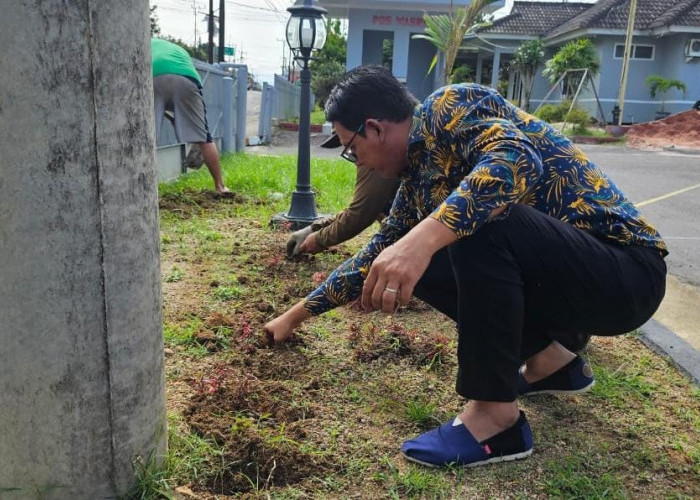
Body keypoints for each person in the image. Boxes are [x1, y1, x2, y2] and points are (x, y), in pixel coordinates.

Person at [264, 65, 667, 468]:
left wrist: (421, 242)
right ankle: (552, 364)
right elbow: (374, 256)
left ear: (374, 128)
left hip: (627, 275)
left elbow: (518, 161)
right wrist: (291, 319)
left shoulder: (449, 106)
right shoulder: (418, 182)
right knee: (417, 251)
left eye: (352, 148)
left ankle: (495, 419)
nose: (357, 161)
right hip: (575, 289)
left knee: (474, 222)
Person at [151, 38, 228, 193]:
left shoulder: (141, 41)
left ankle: (148, 190)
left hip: (152, 76)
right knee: (205, 138)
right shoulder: (176, 50)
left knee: (146, 139)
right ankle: (220, 186)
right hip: (186, 77)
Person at [285, 160, 399, 257]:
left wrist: (319, 239)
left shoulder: (375, 159)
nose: (356, 159)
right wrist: (312, 229)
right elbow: (361, 208)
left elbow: (360, 213)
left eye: (353, 146)